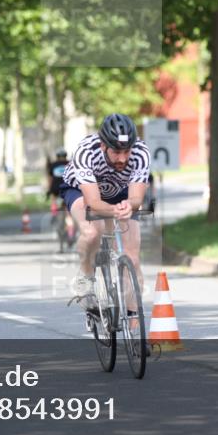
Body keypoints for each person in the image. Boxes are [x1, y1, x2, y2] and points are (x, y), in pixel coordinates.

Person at [61, 114, 150, 310]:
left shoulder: (141, 152)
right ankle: (85, 275)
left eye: (127, 151)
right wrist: (115, 210)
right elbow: (93, 202)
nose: (123, 158)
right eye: (117, 152)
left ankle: (133, 325)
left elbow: (136, 198)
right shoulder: (86, 152)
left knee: (132, 256)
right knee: (92, 231)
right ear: (103, 146)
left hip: (120, 190)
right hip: (81, 190)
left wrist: (129, 206)